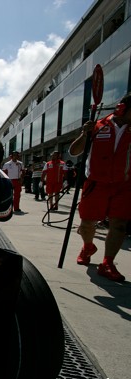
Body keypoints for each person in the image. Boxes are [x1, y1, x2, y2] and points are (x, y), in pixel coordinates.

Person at [69, 92, 131, 282]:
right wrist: (84, 134)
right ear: (121, 108)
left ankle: (107, 263)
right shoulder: (98, 126)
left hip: (124, 184)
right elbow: (74, 151)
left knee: (119, 224)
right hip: (95, 183)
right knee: (87, 223)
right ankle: (88, 246)